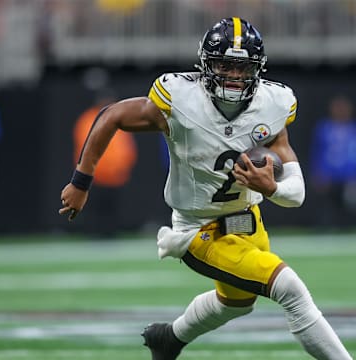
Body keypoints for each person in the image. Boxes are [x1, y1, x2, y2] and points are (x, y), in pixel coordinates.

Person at [59, 17, 352, 359]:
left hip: (247, 220)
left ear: (257, 70)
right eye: (225, 65)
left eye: (243, 68)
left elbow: (296, 194)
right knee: (289, 289)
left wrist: (270, 188)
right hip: (198, 228)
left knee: (236, 304)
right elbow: (112, 116)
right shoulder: (181, 98)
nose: (233, 76)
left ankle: (169, 338)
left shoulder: (273, 105)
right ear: (206, 65)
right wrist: (81, 180)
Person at [73, 87, 137, 235]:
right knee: (94, 210)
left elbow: (127, 146)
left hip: (115, 175)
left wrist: (125, 165)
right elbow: (83, 146)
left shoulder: (119, 119)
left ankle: (110, 234)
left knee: (112, 210)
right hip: (94, 176)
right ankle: (93, 234)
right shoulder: (89, 119)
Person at [309, 95, 356, 227]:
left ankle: (349, 229)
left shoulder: (353, 129)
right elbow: (318, 151)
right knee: (327, 206)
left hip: (349, 175)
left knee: (349, 205)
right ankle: (326, 229)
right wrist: (318, 172)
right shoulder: (324, 128)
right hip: (329, 175)